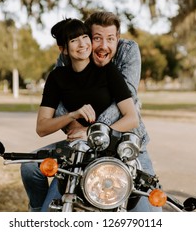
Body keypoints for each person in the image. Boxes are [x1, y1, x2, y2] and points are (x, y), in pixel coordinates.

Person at [21, 18, 139, 212]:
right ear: (64, 49)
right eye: (74, 40)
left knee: (145, 214)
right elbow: (42, 128)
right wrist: (71, 116)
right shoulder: (57, 77)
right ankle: (36, 210)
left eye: (85, 37)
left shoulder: (108, 71)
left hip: (108, 145)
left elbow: (131, 118)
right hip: (75, 148)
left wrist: (91, 133)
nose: (83, 44)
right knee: (29, 168)